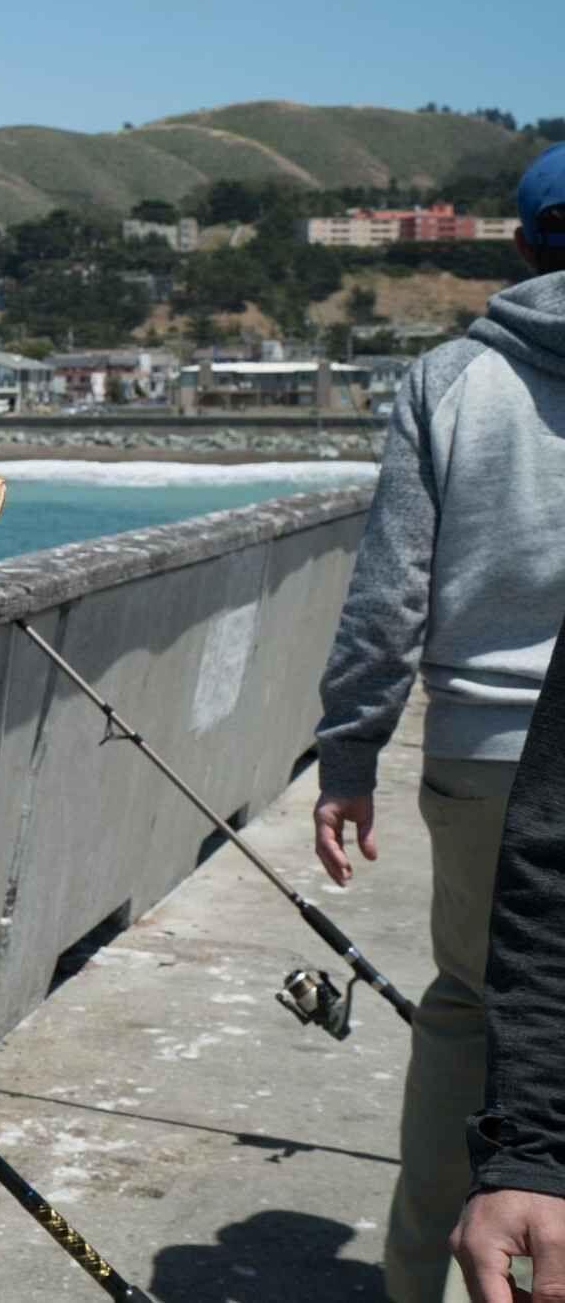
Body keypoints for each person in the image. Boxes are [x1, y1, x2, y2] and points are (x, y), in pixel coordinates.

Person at [312, 140, 565, 1303]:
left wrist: (350, 753)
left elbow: (387, 595)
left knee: (469, 1015)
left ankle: (422, 1282)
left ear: (518, 246)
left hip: (483, 754)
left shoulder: (454, 377)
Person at [453, 600, 565, 1301]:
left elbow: (389, 595)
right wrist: (531, 1153)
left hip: (463, 737)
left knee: (457, 1016)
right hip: (501, 749)